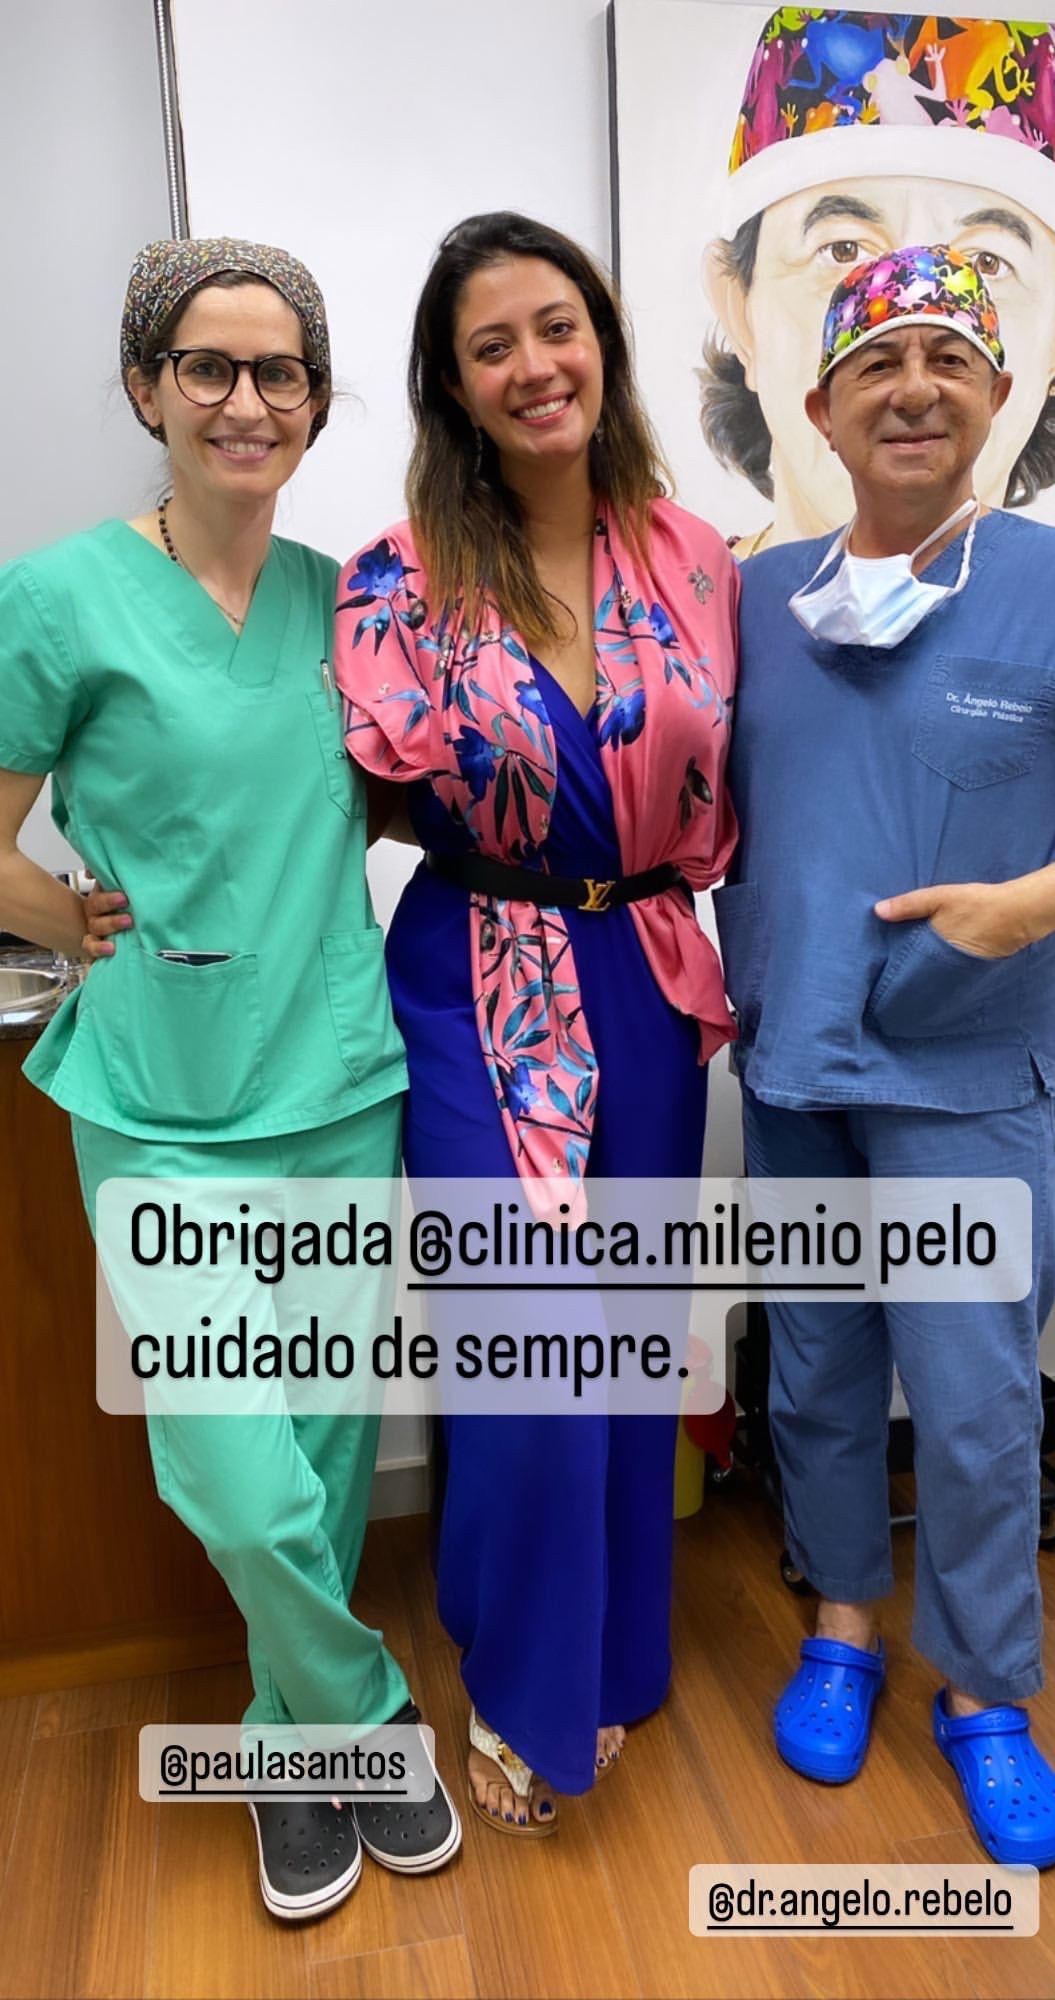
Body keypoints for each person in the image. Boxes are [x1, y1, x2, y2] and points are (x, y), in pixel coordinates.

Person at [0, 238, 460, 1919]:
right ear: (149, 386)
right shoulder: (57, 597)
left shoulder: (356, 603)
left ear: (317, 403)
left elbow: (409, 791)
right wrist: (69, 913)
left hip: (336, 1084)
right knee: (238, 1483)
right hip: (158, 1102)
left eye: (280, 372)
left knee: (322, 1472)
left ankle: (289, 1749)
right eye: (208, 366)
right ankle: (368, 1715)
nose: (246, 400)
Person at [719, 240, 1055, 1868]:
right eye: (875, 361)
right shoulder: (754, 600)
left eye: (948, 356)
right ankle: (842, 1626)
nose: (912, 388)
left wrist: (1023, 908)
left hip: (963, 1075)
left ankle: (983, 1690)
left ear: (1000, 393)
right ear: (820, 406)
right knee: (816, 1376)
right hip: (795, 1065)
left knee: (968, 1404)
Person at [334, 211, 739, 1833]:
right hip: (473, 971)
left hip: (643, 969)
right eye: (489, 344)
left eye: (555, 327)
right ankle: (520, 1680)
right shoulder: (398, 578)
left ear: (603, 342)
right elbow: (337, 803)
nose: (531, 364)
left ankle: (611, 1652)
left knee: (625, 1336)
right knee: (529, 1337)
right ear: (453, 383)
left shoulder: (697, 557)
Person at [702, 10, 1055, 553]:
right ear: (739, 308)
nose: (910, 329)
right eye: (844, 251)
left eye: (986, 263)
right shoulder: (687, 605)